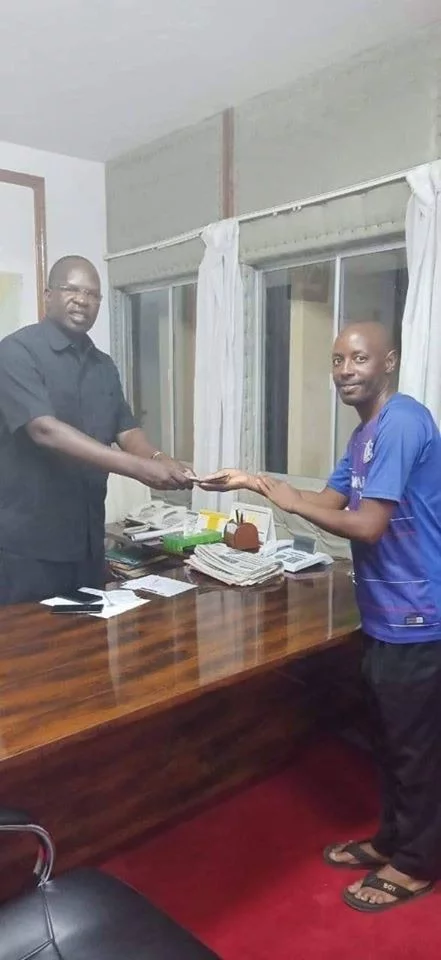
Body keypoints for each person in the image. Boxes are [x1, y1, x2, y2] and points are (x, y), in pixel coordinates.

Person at [200, 320, 441, 913]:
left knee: (415, 750)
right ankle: (393, 839)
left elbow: (368, 525)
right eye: (337, 361)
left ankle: (417, 864)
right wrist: (257, 484)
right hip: (384, 616)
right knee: (390, 740)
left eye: (358, 358)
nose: (345, 371)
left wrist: (284, 499)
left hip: (419, 617)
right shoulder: (363, 438)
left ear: (389, 362)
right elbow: (326, 502)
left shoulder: (403, 421)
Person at [0, 255, 193, 604]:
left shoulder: (103, 365)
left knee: (91, 636)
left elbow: (126, 430)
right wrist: (138, 468)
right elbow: (45, 430)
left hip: (87, 545)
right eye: (71, 289)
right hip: (28, 550)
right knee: (30, 639)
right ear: (48, 295)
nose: (82, 300)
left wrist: (160, 459)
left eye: (92, 294)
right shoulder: (16, 352)